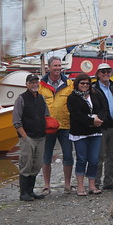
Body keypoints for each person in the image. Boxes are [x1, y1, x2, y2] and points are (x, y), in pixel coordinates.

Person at [39, 56, 75, 195]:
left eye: (60, 66)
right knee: (46, 156)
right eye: (55, 66)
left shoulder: (69, 84)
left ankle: (67, 184)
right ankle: (46, 185)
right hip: (47, 127)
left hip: (65, 125)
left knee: (68, 155)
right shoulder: (41, 85)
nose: (58, 68)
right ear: (48, 68)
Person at [67, 74, 105, 196]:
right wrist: (91, 121)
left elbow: (104, 108)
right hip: (80, 133)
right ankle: (80, 186)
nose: (84, 85)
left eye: (87, 83)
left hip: (95, 132)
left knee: (94, 160)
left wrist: (100, 119)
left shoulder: (95, 94)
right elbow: (76, 114)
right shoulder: (72, 98)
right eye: (82, 83)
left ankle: (92, 185)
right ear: (77, 84)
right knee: (82, 159)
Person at [13, 74, 49, 201]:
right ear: (27, 84)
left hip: (40, 137)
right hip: (27, 137)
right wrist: (25, 137)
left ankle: (31, 191)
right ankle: (23, 193)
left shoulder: (41, 98)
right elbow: (16, 121)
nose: (35, 84)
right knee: (26, 164)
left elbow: (47, 115)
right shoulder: (21, 99)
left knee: (37, 164)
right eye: (32, 82)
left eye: (36, 82)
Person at [93, 63, 113, 189]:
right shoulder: (94, 89)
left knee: (112, 155)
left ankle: (109, 181)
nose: (105, 74)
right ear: (98, 74)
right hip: (101, 127)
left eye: (108, 71)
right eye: (103, 71)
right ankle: (96, 182)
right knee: (99, 156)